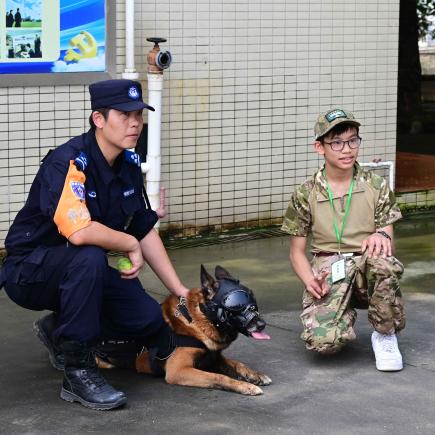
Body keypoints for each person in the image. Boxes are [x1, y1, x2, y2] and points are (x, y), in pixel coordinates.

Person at [0, 79, 190, 410]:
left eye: (139, 116)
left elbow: (142, 228)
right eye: (124, 115)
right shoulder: (69, 161)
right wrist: (127, 242)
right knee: (88, 257)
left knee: (147, 319)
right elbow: (79, 232)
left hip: (80, 273)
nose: (134, 124)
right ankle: (77, 370)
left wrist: (180, 291)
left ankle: (58, 327)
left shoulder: (128, 163)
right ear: (98, 119)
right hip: (30, 272)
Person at [281, 108, 405, 372]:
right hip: (329, 268)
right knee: (323, 343)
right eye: (336, 142)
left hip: (365, 261)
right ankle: (340, 311)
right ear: (320, 147)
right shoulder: (306, 192)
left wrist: (380, 233)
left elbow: (387, 238)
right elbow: (296, 252)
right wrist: (309, 280)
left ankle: (384, 333)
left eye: (352, 140)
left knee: (384, 263)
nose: (347, 149)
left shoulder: (375, 184)